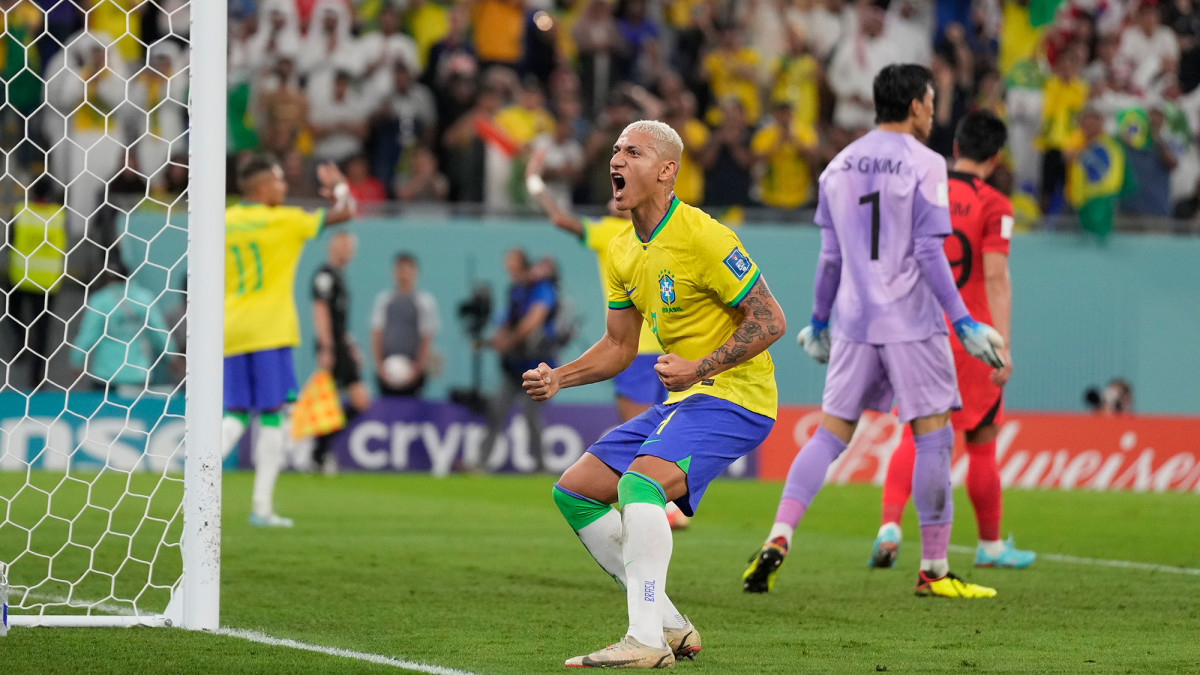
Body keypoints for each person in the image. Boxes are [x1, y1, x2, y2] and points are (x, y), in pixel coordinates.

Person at [522, 120, 786, 667]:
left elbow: (770, 319)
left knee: (640, 486)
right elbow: (620, 346)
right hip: (684, 398)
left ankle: (644, 640)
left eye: (633, 152)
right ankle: (668, 624)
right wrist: (560, 378)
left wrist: (700, 367)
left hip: (736, 395)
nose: (616, 160)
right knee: (575, 491)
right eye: (615, 150)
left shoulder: (703, 236)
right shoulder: (623, 250)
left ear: (667, 171)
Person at [742, 64, 1006, 600]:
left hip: (854, 321)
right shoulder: (928, 163)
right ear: (914, 105)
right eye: (931, 102)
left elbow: (831, 257)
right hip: (911, 321)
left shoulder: (837, 166)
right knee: (933, 435)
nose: (933, 112)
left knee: (829, 434)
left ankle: (778, 534)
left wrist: (819, 322)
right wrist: (964, 322)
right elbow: (931, 250)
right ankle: (934, 569)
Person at [871, 110, 1036, 572]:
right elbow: (996, 277)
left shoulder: (921, 190)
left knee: (916, 431)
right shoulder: (996, 205)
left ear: (957, 146)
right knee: (981, 440)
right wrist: (1000, 344)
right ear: (998, 155)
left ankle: (889, 525)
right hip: (971, 335)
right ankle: (990, 545)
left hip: (920, 330)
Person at [524, 148, 689, 530]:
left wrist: (535, 180)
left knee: (641, 439)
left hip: (629, 351)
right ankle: (669, 508)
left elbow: (559, 218)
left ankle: (652, 509)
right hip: (670, 351)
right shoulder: (666, 228)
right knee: (667, 439)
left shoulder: (608, 232)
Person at [221, 155, 355, 527]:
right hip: (270, 330)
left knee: (233, 413)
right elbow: (346, 212)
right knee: (272, 415)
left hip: (229, 328)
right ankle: (261, 508)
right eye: (279, 182)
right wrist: (339, 185)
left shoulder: (223, 221)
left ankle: (193, 477)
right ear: (262, 188)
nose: (284, 188)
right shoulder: (284, 220)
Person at [478, 247, 559, 472]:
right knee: (496, 410)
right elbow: (507, 321)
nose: (509, 269)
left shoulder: (541, 288)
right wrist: (496, 341)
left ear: (523, 264)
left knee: (530, 415)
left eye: (512, 263)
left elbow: (534, 319)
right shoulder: (515, 290)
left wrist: (508, 341)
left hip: (538, 364)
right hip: (514, 365)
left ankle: (541, 465)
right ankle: (482, 462)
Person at [310, 231, 371, 474]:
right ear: (334, 246)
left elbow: (340, 320)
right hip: (332, 347)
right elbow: (320, 310)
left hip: (341, 346)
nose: (349, 251)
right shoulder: (324, 276)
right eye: (345, 245)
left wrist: (351, 345)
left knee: (357, 401)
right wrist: (326, 347)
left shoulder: (340, 277)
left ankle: (320, 451)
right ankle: (319, 452)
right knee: (344, 400)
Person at [370, 252, 439, 397]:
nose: (404, 275)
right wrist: (379, 366)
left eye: (408, 270)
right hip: (387, 371)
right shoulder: (384, 300)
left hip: (414, 372)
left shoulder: (424, 302)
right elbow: (376, 333)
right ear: (394, 272)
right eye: (400, 270)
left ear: (415, 272)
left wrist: (417, 368)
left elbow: (427, 337)